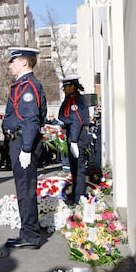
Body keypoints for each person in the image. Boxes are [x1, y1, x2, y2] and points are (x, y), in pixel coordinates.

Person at [3, 47, 47, 249]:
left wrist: (27, 149)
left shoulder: (28, 86)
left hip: (23, 142)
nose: (10, 65)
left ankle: (30, 235)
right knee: (24, 189)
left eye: (13, 61)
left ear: (23, 62)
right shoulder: (22, 84)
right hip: (19, 141)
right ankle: (28, 232)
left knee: (26, 189)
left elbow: (31, 119)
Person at [58, 76, 91, 205]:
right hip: (74, 135)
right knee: (74, 168)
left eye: (66, 87)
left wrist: (73, 141)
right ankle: (76, 194)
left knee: (79, 169)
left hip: (77, 137)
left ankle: (79, 198)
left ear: (73, 86)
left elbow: (76, 121)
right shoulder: (71, 99)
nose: (64, 89)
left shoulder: (76, 101)